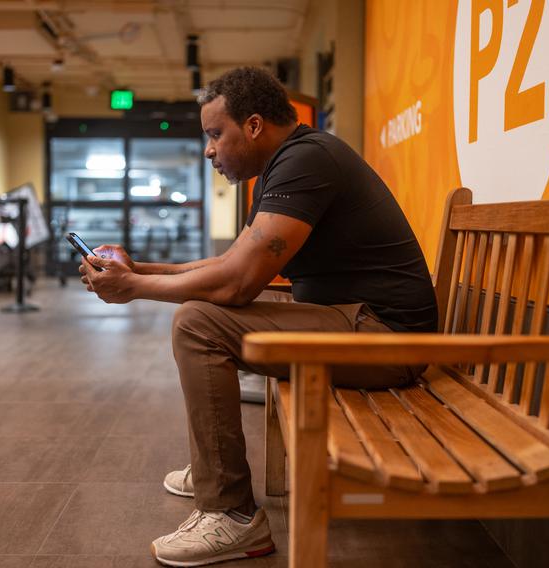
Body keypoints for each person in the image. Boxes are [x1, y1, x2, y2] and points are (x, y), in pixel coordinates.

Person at [79, 66, 438, 567]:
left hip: (386, 338)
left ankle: (230, 513)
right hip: (352, 323)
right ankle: (216, 472)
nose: (208, 150)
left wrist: (134, 288)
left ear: (252, 126)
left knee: (197, 323)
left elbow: (237, 282)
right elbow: (231, 264)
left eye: (214, 134)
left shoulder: (308, 160)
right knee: (199, 314)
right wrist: (140, 268)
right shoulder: (280, 167)